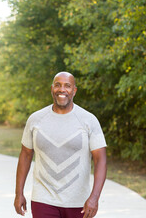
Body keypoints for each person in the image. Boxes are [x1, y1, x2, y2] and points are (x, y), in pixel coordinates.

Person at [14, 71, 107, 218]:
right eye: (58, 85)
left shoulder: (88, 120)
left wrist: (94, 197)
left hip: (78, 202)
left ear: (74, 91)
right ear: (52, 89)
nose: (62, 89)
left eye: (67, 86)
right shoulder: (35, 119)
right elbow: (25, 155)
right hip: (43, 199)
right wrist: (19, 194)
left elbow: (100, 159)